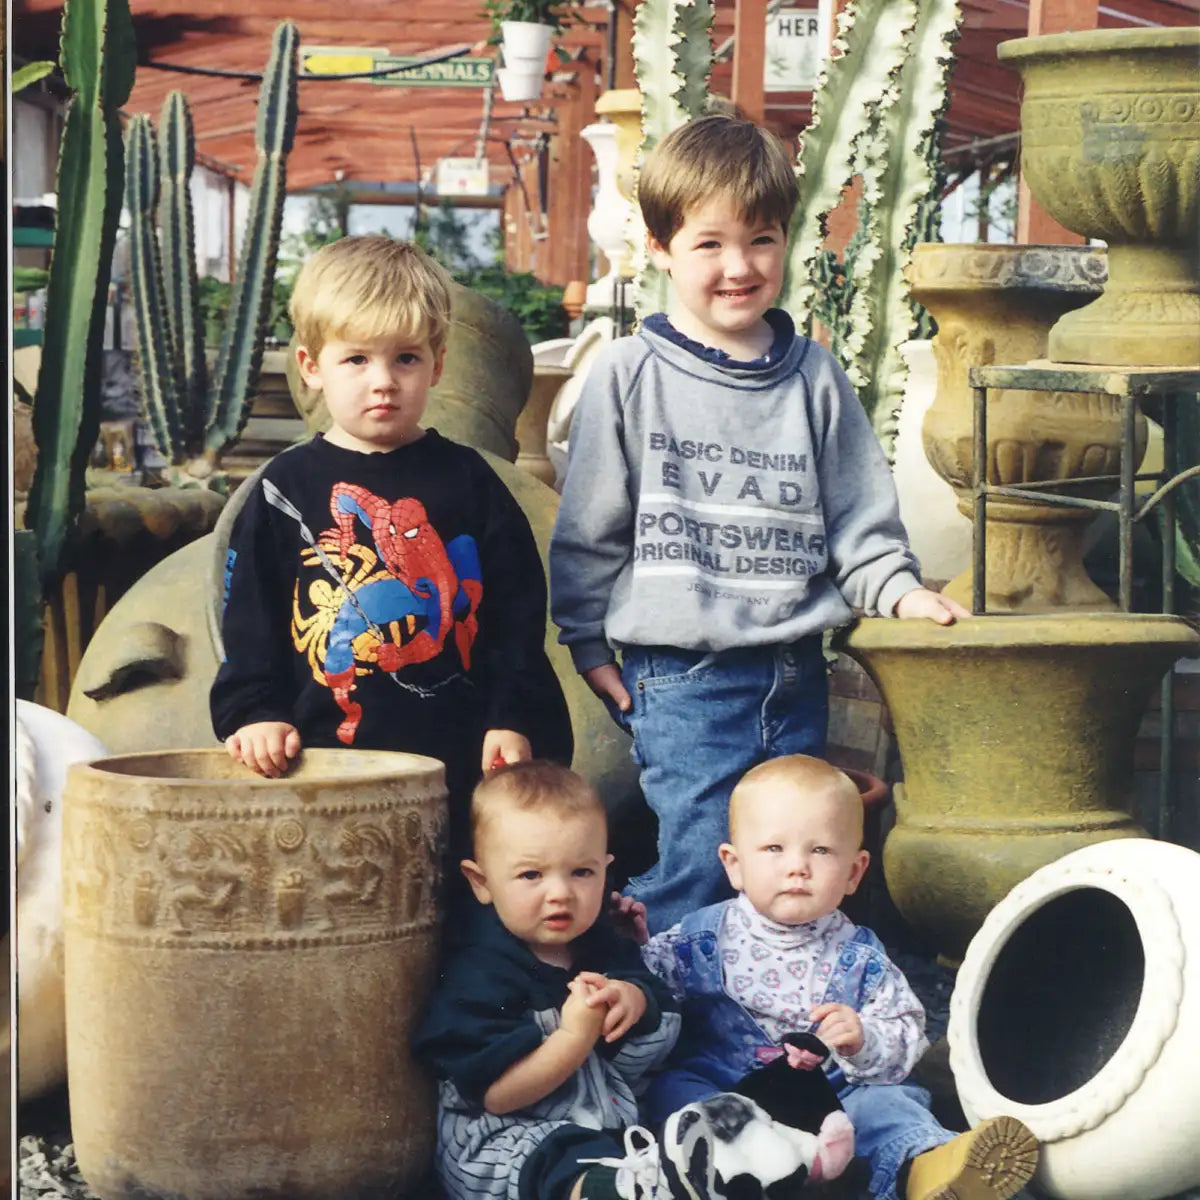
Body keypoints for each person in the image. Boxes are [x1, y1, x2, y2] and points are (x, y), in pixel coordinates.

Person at [549, 114, 970, 934]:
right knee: (703, 856)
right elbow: (590, 526)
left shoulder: (813, 376)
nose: (738, 267)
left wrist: (899, 591)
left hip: (793, 669)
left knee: (790, 865)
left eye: (761, 240)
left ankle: (766, 1032)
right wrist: (587, 642)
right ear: (661, 247)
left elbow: (858, 514)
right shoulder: (631, 373)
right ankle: (657, 1022)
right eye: (709, 244)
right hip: (683, 677)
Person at [211, 235, 571, 855]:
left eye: (405, 358)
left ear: (437, 364)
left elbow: (516, 616)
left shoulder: (472, 482)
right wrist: (251, 712)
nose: (383, 382)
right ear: (311, 367)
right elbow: (248, 617)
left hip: (456, 763)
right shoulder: (281, 490)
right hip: (319, 769)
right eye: (357, 360)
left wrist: (511, 716)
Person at [633, 756, 1038, 1200]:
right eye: (774, 849)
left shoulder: (860, 957)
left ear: (854, 872)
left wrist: (863, 1039)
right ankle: (734, 1173)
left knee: (890, 1103)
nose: (798, 867)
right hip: (725, 1090)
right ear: (733, 864)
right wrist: (631, 951)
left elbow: (906, 1035)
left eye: (820, 850)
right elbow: (648, 997)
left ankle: (927, 1168)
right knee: (674, 1091)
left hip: (833, 1101)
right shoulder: (696, 940)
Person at [412, 760, 716, 1200]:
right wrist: (573, 1037)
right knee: (565, 1154)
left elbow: (657, 1005)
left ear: (605, 871)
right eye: (531, 875)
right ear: (482, 882)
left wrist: (635, 997)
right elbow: (498, 1096)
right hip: (508, 1144)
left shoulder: (603, 945)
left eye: (582, 872)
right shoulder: (478, 973)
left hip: (605, 1129)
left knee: (678, 1109)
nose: (560, 892)